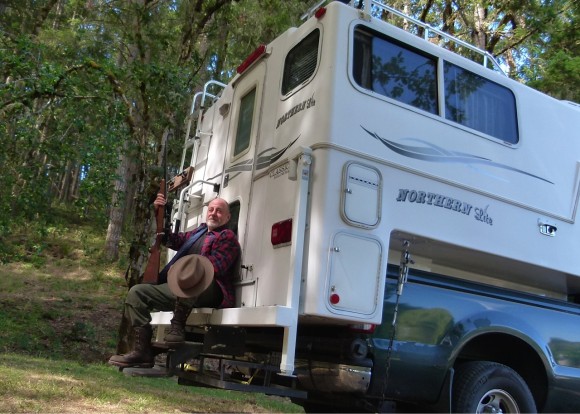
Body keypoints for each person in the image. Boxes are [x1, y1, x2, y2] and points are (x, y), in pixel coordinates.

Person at [108, 195, 241, 368]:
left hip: (211, 291)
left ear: (227, 217)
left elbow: (214, 268)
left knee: (195, 277)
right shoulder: (198, 233)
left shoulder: (227, 237)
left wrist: (181, 270)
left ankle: (177, 326)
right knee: (136, 293)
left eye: (219, 211)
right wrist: (159, 214)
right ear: (206, 212)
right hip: (182, 288)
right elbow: (169, 238)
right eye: (211, 210)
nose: (214, 214)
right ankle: (143, 351)